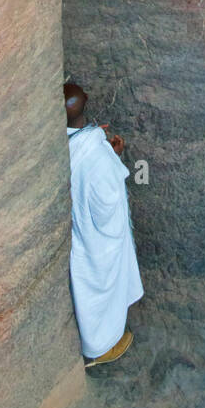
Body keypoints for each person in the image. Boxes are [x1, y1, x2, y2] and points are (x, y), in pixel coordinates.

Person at [63, 81, 144, 366]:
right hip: (98, 237)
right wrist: (112, 157)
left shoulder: (69, 144)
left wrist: (105, 152)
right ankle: (100, 348)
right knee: (100, 290)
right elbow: (106, 205)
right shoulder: (95, 153)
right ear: (85, 102)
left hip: (77, 230)